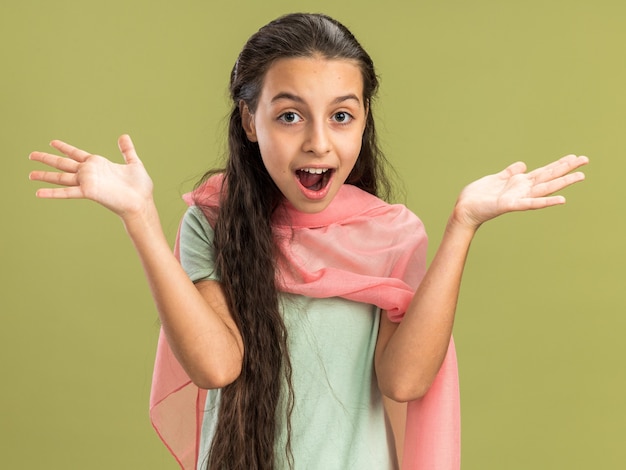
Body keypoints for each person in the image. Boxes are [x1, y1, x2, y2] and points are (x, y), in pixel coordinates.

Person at [28, 12, 588, 470]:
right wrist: (139, 217)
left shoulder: (391, 233)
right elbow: (217, 366)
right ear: (250, 121)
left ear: (364, 120)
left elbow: (405, 379)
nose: (319, 143)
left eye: (341, 116)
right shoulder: (212, 222)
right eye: (291, 115)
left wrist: (463, 222)